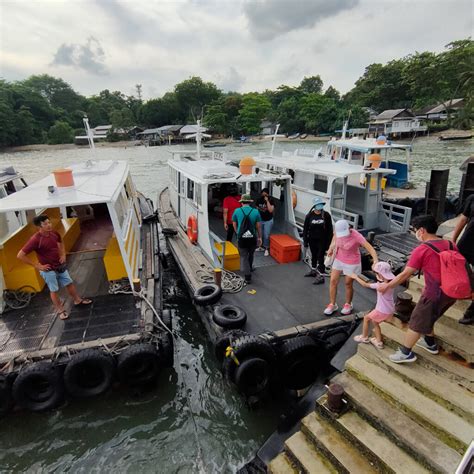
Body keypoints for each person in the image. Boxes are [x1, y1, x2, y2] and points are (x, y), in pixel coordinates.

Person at [379, 215, 456, 364]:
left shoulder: (422, 249)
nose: (415, 234)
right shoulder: (451, 244)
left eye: (415, 230)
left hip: (434, 293)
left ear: (422, 230)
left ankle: (406, 353)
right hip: (451, 293)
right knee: (430, 316)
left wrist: (387, 285)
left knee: (416, 322)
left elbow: (405, 274)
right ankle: (430, 342)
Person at [17, 214, 92, 320]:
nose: (49, 225)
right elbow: (20, 255)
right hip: (48, 269)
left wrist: (63, 255)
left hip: (59, 265)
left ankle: (77, 300)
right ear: (40, 226)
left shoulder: (54, 233)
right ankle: (60, 310)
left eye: (49, 222)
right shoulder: (35, 239)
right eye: (45, 224)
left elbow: (61, 242)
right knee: (54, 289)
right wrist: (38, 266)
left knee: (69, 282)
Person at [324, 220, 378, 316]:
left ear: (349, 228)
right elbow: (334, 238)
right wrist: (330, 248)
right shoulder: (337, 231)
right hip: (339, 258)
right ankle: (332, 304)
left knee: (348, 283)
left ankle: (348, 304)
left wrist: (375, 262)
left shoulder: (356, 236)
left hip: (352, 262)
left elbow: (370, 249)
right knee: (333, 281)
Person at [351, 262, 395, 349]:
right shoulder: (392, 283)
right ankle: (379, 342)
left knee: (366, 318)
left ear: (380, 275)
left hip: (381, 310)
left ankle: (364, 337)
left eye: (376, 273)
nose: (375, 274)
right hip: (390, 309)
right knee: (375, 322)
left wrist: (355, 277)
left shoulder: (380, 286)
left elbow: (365, 284)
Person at [452, 194, 474, 325]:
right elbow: (463, 219)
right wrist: (454, 239)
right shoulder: (471, 198)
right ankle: (462, 290)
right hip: (467, 241)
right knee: (459, 267)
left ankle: (470, 314)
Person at [232, 194, 262, 283]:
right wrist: (260, 237)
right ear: (249, 202)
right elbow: (258, 227)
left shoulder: (237, 211)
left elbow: (234, 224)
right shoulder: (256, 211)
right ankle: (250, 268)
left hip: (242, 238)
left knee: (243, 256)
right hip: (252, 238)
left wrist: (238, 233)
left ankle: (247, 277)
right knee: (251, 254)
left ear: (241, 202)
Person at [302, 197, 333, 282]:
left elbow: (330, 230)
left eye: (321, 204)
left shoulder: (326, 215)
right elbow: (305, 229)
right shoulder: (309, 216)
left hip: (322, 240)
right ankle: (313, 270)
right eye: (318, 205)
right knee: (314, 256)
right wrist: (305, 241)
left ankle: (321, 276)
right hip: (312, 239)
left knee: (320, 257)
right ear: (315, 206)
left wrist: (329, 244)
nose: (320, 206)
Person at [255, 188, 275, 256]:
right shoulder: (259, 200)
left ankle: (266, 249)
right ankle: (260, 247)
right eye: (262, 194)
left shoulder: (271, 200)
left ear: (267, 194)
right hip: (260, 220)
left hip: (268, 220)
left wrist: (267, 201)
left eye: (265, 194)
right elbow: (257, 208)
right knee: (260, 234)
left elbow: (270, 210)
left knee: (266, 235)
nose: (263, 196)